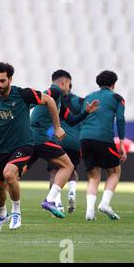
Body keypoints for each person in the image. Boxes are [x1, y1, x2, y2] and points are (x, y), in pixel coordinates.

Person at [0, 62, 65, 233]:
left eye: (2, 81)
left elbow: (50, 101)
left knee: (9, 174)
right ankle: (2, 216)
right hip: (1, 148)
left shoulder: (23, 94)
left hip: (23, 144)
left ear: (10, 79)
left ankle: (16, 212)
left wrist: (57, 127)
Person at [27, 70, 98, 218]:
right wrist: (57, 127)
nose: (69, 86)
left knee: (17, 172)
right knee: (68, 166)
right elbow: (40, 99)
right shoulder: (54, 90)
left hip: (33, 138)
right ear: (64, 82)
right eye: (69, 83)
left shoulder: (58, 101)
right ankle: (50, 200)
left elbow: (71, 120)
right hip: (41, 137)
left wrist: (86, 112)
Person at [81, 70, 126, 221]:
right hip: (103, 138)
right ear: (114, 84)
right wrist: (121, 143)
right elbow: (120, 120)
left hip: (85, 138)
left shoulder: (88, 97)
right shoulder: (117, 98)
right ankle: (105, 204)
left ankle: (89, 211)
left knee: (93, 177)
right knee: (114, 172)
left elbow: (82, 118)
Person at [47, 80, 84, 213]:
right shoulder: (80, 101)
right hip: (74, 141)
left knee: (54, 171)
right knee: (71, 169)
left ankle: (57, 202)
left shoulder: (54, 100)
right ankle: (72, 193)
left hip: (58, 139)